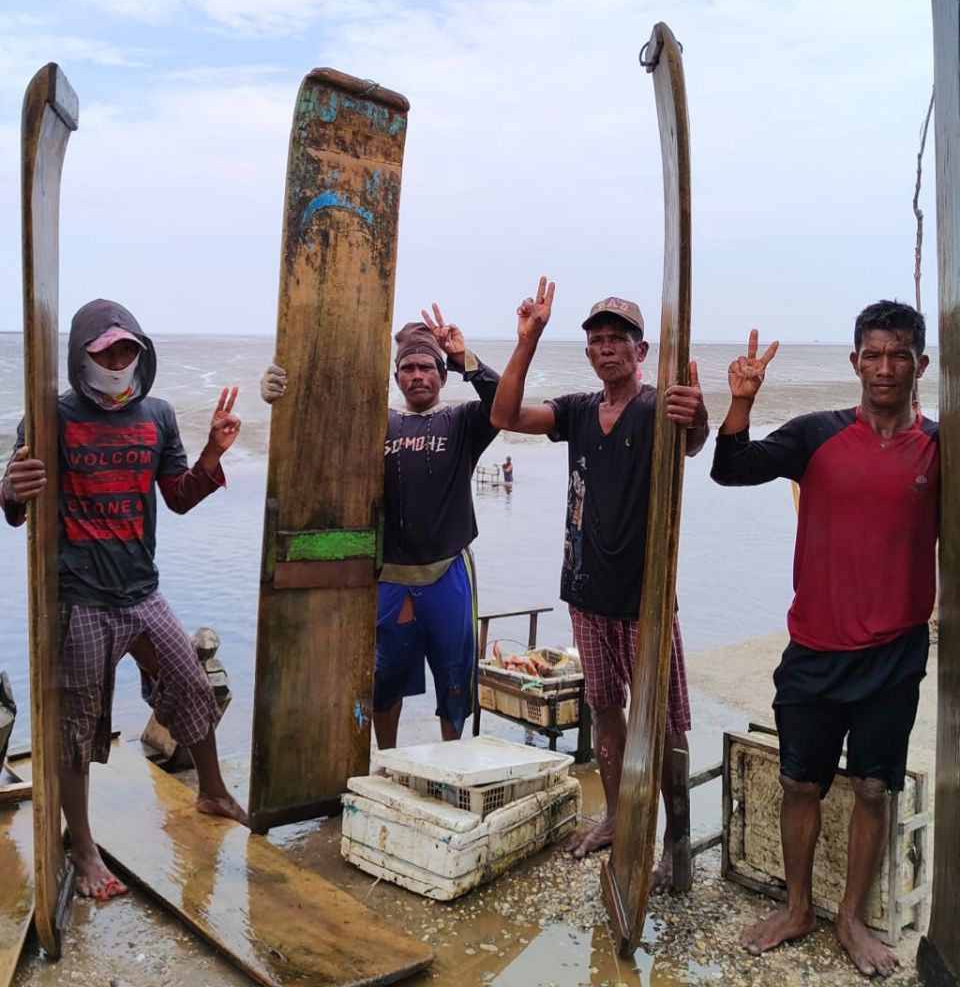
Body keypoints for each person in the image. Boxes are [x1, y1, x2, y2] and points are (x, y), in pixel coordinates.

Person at [710, 303, 937, 978]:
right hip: (814, 647)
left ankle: (851, 919)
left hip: (894, 653)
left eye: (899, 355)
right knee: (798, 782)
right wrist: (741, 401)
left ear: (921, 364)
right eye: (874, 354)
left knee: (872, 788)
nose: (886, 367)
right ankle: (799, 908)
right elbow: (731, 467)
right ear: (855, 362)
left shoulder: (940, 448)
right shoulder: (817, 434)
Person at [0, 300, 247, 902]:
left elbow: (179, 497)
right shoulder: (49, 417)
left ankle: (213, 791)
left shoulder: (157, 415)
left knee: (192, 685)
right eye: (105, 353)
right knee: (77, 727)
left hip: (143, 591)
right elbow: (14, 505)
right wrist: (10, 488)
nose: (116, 363)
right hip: (80, 599)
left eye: (126, 352)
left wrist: (213, 453)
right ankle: (83, 846)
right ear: (81, 356)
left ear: (140, 354)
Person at [489, 280, 708, 887]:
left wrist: (700, 415)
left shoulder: (657, 408)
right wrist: (528, 340)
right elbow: (504, 415)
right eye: (599, 340)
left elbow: (692, 441)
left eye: (620, 339)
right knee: (605, 709)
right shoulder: (581, 410)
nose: (608, 348)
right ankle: (615, 815)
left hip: (646, 599)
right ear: (588, 352)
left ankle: (678, 846)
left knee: (665, 721)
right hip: (585, 591)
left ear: (642, 352)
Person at [261, 304, 499, 749]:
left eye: (426, 367)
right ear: (396, 378)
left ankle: (452, 760)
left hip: (448, 571)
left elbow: (504, 402)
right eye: (407, 368)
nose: (417, 375)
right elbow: (315, 431)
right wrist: (280, 396)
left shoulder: (463, 421)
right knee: (384, 680)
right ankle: (387, 761)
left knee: (454, 679)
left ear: (442, 377)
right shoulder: (376, 424)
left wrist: (463, 357)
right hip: (390, 576)